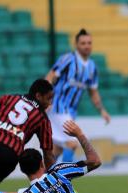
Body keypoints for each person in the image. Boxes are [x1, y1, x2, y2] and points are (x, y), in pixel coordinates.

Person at [45, 28, 111, 163]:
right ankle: (65, 179)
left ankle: (44, 178)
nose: (87, 46)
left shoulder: (92, 67)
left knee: (56, 149)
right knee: (72, 143)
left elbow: (93, 91)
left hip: (70, 111)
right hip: (58, 106)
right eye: (83, 43)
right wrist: (46, 101)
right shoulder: (68, 60)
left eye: (89, 43)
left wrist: (102, 110)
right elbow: (50, 76)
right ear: (76, 45)